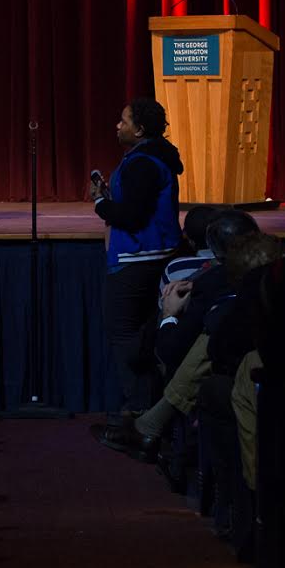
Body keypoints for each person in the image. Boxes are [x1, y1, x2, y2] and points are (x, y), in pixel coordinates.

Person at [90, 97, 183, 416]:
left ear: (140, 129)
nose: (117, 126)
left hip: (137, 258)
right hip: (151, 255)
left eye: (123, 121)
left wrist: (100, 204)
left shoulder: (143, 162)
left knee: (124, 332)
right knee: (140, 333)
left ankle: (140, 411)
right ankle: (148, 405)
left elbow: (132, 216)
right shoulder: (152, 157)